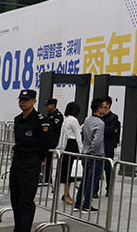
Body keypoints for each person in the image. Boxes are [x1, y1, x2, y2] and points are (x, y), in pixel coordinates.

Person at [10, 89, 51, 232]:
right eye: (21, 100)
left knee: (26, 200)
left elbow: (46, 143)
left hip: (31, 162)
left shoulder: (41, 120)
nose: (22, 103)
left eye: (26, 100)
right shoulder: (18, 119)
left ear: (34, 101)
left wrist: (39, 158)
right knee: (15, 199)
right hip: (17, 161)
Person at [74, 98, 106, 213]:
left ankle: (78, 203)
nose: (105, 109)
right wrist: (94, 152)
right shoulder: (100, 123)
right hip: (95, 156)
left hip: (85, 154)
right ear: (99, 108)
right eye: (104, 107)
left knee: (84, 179)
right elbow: (97, 141)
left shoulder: (87, 120)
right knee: (91, 181)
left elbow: (85, 135)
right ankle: (86, 205)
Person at [56, 101, 83, 205]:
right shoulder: (74, 120)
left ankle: (66, 194)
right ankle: (67, 195)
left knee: (67, 170)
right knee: (71, 171)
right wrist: (81, 150)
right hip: (74, 145)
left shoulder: (66, 119)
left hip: (69, 145)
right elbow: (78, 136)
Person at [94, 96, 120, 198]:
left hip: (108, 147)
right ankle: (94, 190)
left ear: (108, 105)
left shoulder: (113, 117)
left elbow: (109, 131)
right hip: (99, 146)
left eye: (103, 105)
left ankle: (109, 188)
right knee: (96, 168)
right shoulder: (99, 117)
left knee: (108, 169)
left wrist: (100, 129)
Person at [43, 98, 64, 183]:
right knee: (43, 160)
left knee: (48, 161)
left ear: (53, 106)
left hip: (52, 141)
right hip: (45, 140)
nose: (46, 107)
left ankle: (48, 179)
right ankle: (43, 177)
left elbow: (55, 127)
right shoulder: (47, 115)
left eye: (47, 106)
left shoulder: (58, 115)